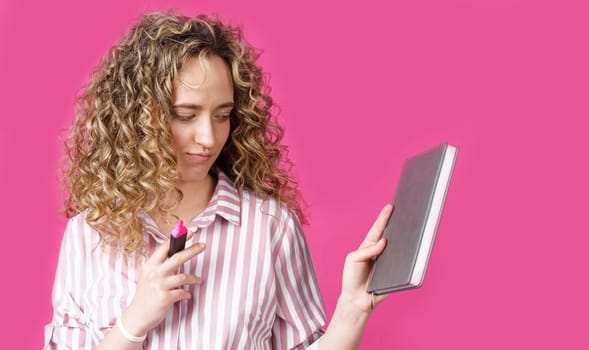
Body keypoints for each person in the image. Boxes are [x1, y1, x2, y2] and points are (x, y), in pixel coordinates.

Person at [44, 11, 392, 350]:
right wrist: (133, 322)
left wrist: (351, 308)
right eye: (185, 115)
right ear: (138, 119)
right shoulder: (89, 234)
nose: (208, 137)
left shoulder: (270, 228)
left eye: (222, 115)